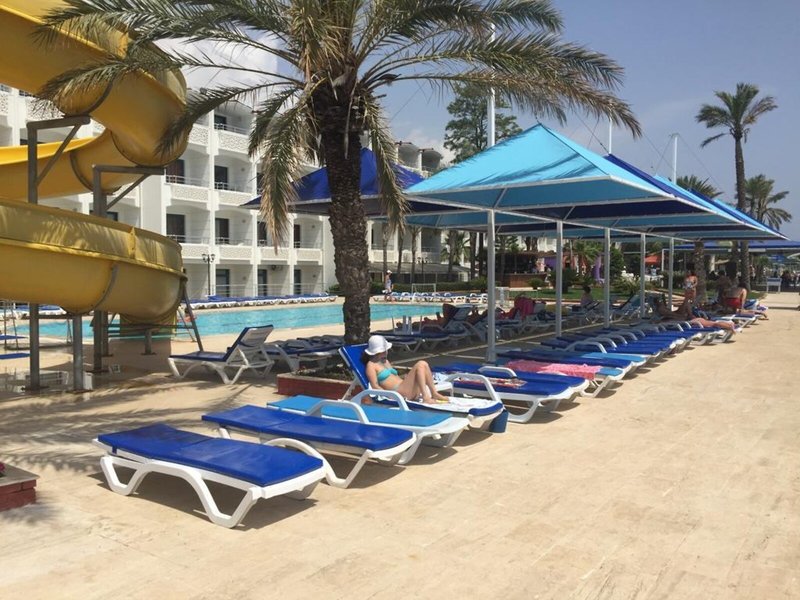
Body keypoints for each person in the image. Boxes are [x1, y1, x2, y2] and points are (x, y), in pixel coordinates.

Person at [362, 335, 449, 404]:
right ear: (376, 352)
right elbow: (375, 386)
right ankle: (426, 397)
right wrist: (389, 396)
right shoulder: (371, 365)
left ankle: (434, 393)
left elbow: (394, 378)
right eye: (383, 351)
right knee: (420, 364)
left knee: (424, 365)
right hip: (399, 393)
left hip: (406, 389)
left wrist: (408, 379)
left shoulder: (386, 362)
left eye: (386, 350)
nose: (386, 353)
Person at [651, 296, 737, 333]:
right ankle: (730, 325)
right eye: (660, 302)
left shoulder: (665, 314)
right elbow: (667, 316)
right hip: (690, 321)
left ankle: (730, 325)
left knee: (712, 323)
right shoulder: (663, 313)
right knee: (713, 323)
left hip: (690, 320)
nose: (662, 302)